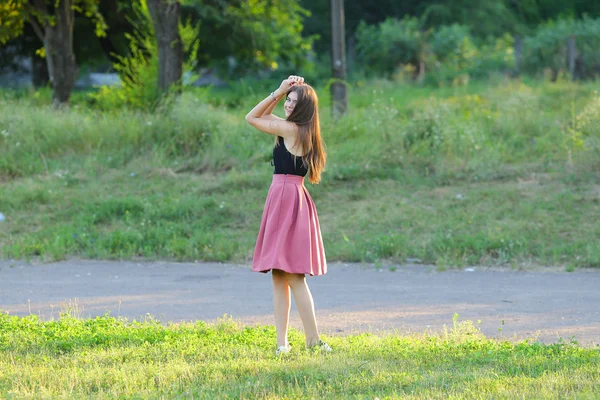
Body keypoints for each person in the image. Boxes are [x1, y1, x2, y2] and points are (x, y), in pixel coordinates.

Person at [245, 75, 332, 356]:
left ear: (303, 109)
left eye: (293, 103)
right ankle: (284, 343)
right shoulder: (303, 130)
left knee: (294, 277)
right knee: (280, 277)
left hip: (285, 197)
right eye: (287, 101)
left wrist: (278, 91)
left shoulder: (292, 130)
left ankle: (313, 341)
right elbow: (265, 117)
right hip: (291, 196)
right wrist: (283, 95)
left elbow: (252, 117)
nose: (287, 106)